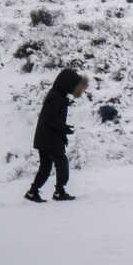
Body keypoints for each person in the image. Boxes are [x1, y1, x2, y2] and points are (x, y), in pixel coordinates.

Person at [26, 69, 88, 202]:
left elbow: (52, 118)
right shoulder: (56, 97)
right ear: (67, 84)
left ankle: (33, 192)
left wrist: (64, 129)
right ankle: (59, 192)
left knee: (46, 167)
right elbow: (51, 119)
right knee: (62, 163)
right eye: (74, 85)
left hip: (46, 137)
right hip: (50, 138)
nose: (76, 88)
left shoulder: (57, 95)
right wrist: (64, 129)